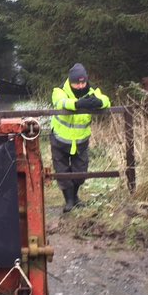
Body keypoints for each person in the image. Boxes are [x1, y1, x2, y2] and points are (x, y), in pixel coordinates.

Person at [51, 62, 111, 212]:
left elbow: (106, 100)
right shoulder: (59, 90)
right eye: (77, 83)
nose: (80, 86)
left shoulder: (92, 90)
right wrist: (77, 104)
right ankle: (69, 201)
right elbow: (60, 103)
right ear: (70, 81)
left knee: (80, 172)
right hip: (60, 139)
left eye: (83, 82)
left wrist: (99, 102)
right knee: (62, 171)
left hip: (81, 141)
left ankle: (75, 196)